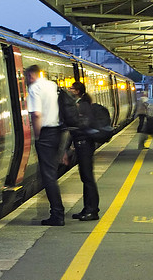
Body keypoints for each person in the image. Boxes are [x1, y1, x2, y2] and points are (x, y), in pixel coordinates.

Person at [26, 65, 64, 226]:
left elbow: (36, 114)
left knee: (48, 176)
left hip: (46, 134)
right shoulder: (52, 85)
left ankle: (57, 214)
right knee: (52, 173)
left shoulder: (35, 88)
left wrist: (38, 135)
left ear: (30, 75)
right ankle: (57, 212)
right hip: (57, 131)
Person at [69, 81, 99, 221]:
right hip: (84, 144)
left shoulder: (82, 106)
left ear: (77, 91)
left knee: (87, 178)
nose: (69, 90)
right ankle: (88, 208)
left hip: (84, 144)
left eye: (71, 88)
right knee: (86, 178)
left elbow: (82, 125)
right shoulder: (83, 104)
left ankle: (92, 210)